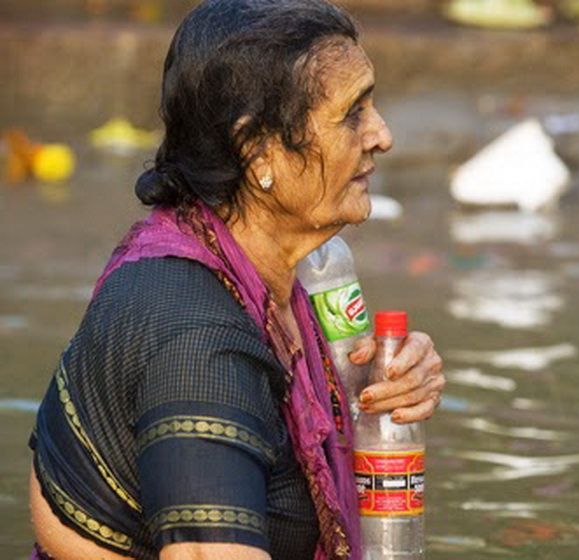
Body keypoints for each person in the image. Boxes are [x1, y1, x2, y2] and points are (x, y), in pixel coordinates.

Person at [28, 1, 445, 559]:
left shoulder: (301, 274)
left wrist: (372, 387)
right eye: (352, 113)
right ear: (257, 150)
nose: (382, 134)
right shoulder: (195, 336)